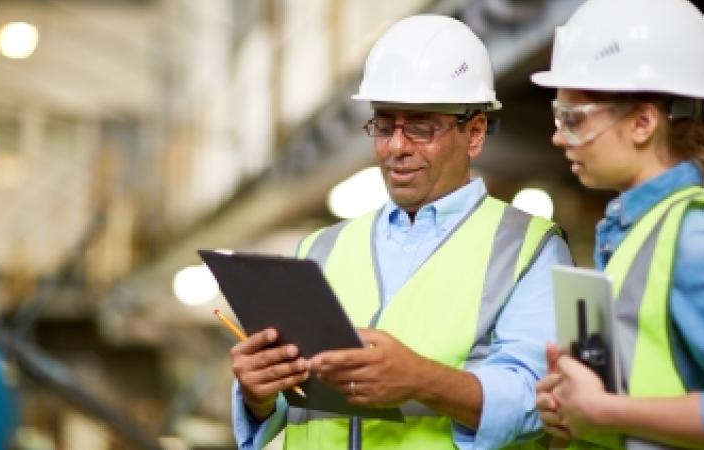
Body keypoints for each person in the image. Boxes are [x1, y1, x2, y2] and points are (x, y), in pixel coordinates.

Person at [229, 14, 573, 450]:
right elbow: (289, 404)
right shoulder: (320, 248)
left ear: (475, 133)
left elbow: (536, 402)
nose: (396, 147)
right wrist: (258, 394)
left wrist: (423, 381)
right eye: (385, 124)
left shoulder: (528, 248)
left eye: (421, 127)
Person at [529, 0, 704, 449]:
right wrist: (573, 411)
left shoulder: (697, 240)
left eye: (574, 120)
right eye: (558, 117)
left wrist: (604, 411)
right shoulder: (635, 234)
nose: (558, 137)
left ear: (642, 122)